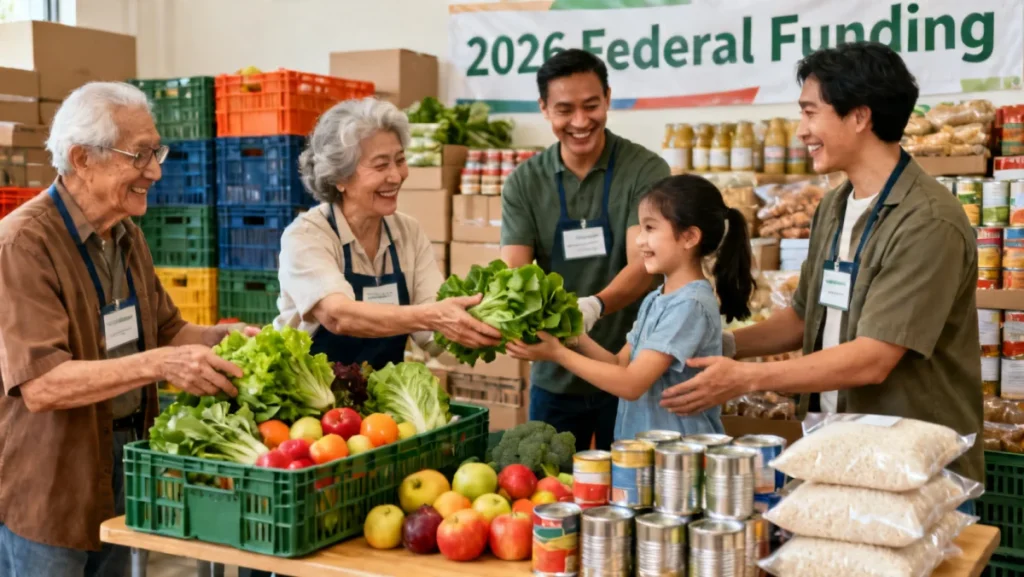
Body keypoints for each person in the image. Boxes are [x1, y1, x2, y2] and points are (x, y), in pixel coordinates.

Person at [659, 42, 984, 490]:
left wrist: (747, 379)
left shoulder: (927, 220)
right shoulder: (834, 205)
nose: (801, 131)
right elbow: (802, 317)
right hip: (839, 448)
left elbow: (873, 358)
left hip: (914, 468)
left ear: (859, 117)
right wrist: (721, 346)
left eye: (811, 114)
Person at [0, 82, 252, 576]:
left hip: (125, 461)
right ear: (82, 158)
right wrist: (159, 365)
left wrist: (228, 339)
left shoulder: (126, 234)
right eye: (139, 155)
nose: (155, 171)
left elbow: (167, 331)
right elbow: (42, 384)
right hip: (52, 477)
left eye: (156, 151)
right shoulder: (22, 245)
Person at [501, 49, 671, 451]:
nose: (580, 122)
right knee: (548, 492)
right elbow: (515, 272)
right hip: (554, 369)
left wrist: (593, 306)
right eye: (564, 110)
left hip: (634, 365)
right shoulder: (524, 182)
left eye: (591, 106)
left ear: (608, 98)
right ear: (543, 109)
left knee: (632, 495)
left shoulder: (644, 170)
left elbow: (645, 264)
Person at [508, 175, 754, 440]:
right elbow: (620, 363)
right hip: (643, 454)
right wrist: (573, 336)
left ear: (689, 237)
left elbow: (631, 384)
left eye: (650, 228)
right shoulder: (656, 298)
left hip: (678, 458)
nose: (639, 240)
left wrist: (558, 354)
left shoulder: (690, 305)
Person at [275, 98, 501, 368]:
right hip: (307, 400)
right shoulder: (307, 236)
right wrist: (432, 317)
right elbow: (338, 316)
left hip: (377, 402)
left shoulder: (408, 232)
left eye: (400, 160)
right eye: (381, 166)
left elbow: (434, 330)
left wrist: (494, 318)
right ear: (340, 178)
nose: (396, 176)